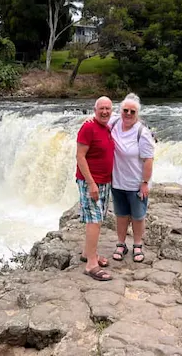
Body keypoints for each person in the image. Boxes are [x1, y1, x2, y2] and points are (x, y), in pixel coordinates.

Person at [109, 93, 155, 263]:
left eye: (132, 111)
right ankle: (121, 244)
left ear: (138, 114)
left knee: (137, 216)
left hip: (136, 183)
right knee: (120, 215)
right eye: (125, 110)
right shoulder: (114, 123)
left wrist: (144, 183)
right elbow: (98, 115)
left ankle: (137, 245)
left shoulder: (142, 133)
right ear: (120, 111)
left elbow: (149, 160)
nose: (128, 114)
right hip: (117, 181)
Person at [76, 96, 115, 281]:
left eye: (108, 108)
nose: (105, 111)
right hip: (91, 182)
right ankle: (91, 264)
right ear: (95, 109)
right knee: (95, 220)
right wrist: (91, 183)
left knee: (97, 219)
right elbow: (80, 156)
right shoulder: (88, 127)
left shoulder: (106, 127)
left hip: (105, 182)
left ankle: (88, 252)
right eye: (102, 108)